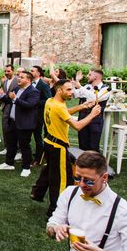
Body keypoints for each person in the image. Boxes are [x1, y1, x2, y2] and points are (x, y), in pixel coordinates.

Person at [47, 151, 127, 251]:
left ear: (104, 177)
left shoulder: (122, 210)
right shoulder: (70, 193)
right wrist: (56, 229)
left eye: (89, 181)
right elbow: (51, 225)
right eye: (78, 178)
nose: (81, 184)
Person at [31, 79, 102, 216]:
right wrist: (92, 114)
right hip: (58, 147)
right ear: (59, 90)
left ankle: (37, 193)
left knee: (49, 171)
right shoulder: (58, 106)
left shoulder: (51, 101)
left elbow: (63, 113)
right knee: (61, 181)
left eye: (72, 89)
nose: (72, 93)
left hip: (49, 142)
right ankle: (54, 212)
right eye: (68, 90)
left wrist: (82, 107)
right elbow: (78, 126)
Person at [0, 71, 40, 177]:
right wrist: (1, 95)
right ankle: (9, 163)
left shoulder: (34, 91)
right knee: (11, 144)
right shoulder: (16, 89)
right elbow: (8, 100)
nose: (19, 79)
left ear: (28, 80)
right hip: (13, 121)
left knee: (24, 146)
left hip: (24, 124)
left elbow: (29, 105)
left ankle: (26, 168)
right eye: (19, 77)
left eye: (21, 77)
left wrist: (15, 98)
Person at [72, 69, 110, 152]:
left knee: (93, 146)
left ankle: (94, 164)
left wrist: (80, 87)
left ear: (96, 77)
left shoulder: (106, 89)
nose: (87, 76)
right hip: (82, 118)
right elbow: (74, 94)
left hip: (95, 120)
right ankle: (83, 164)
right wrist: (76, 82)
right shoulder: (86, 87)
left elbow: (95, 98)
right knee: (82, 145)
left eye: (89, 75)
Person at [30, 65, 53, 165]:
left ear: (38, 73)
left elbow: (49, 100)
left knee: (37, 136)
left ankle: (38, 158)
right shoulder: (29, 83)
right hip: (28, 114)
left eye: (32, 71)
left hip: (39, 115)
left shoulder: (44, 85)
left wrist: (35, 102)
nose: (30, 72)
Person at [0, 64, 19, 156]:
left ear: (13, 71)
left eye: (8, 71)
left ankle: (18, 150)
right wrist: (0, 95)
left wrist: (3, 95)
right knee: (5, 128)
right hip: (5, 107)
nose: (6, 73)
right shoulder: (5, 82)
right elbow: (4, 95)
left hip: (14, 107)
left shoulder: (17, 80)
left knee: (15, 129)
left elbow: (14, 96)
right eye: (5, 71)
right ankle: (7, 147)